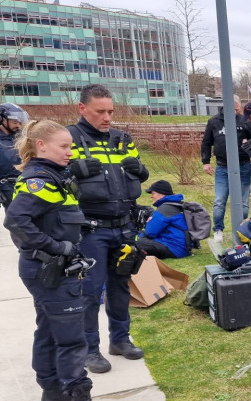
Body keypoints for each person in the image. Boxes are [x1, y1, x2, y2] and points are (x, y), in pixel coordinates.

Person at [3, 119, 106, 401]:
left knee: (48, 329)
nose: (69, 152)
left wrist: (77, 228)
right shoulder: (40, 179)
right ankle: (79, 399)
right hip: (51, 269)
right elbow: (17, 221)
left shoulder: (51, 176)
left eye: (71, 146)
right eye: (64, 146)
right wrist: (58, 247)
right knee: (72, 339)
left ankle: (51, 392)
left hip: (44, 269)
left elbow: (51, 216)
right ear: (41, 146)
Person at [67, 84, 150, 374]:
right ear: (82, 109)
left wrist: (141, 170)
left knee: (120, 286)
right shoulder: (70, 137)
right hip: (91, 229)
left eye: (110, 111)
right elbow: (51, 173)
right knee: (89, 291)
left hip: (124, 226)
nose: (107, 117)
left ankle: (120, 340)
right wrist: (72, 171)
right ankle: (90, 349)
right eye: (100, 111)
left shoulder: (121, 138)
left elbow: (141, 169)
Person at [202, 94, 251, 243]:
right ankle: (218, 230)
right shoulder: (214, 122)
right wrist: (206, 161)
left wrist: (248, 144)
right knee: (220, 200)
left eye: (239, 110)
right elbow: (206, 142)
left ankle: (241, 230)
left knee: (244, 202)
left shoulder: (244, 121)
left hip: (243, 165)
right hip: (223, 167)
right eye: (236, 110)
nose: (238, 112)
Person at [136, 180, 191, 259]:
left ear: (161, 194)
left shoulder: (164, 209)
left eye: (153, 193)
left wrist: (141, 232)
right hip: (183, 247)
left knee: (137, 243)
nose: (152, 196)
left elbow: (150, 232)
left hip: (175, 249)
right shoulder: (175, 205)